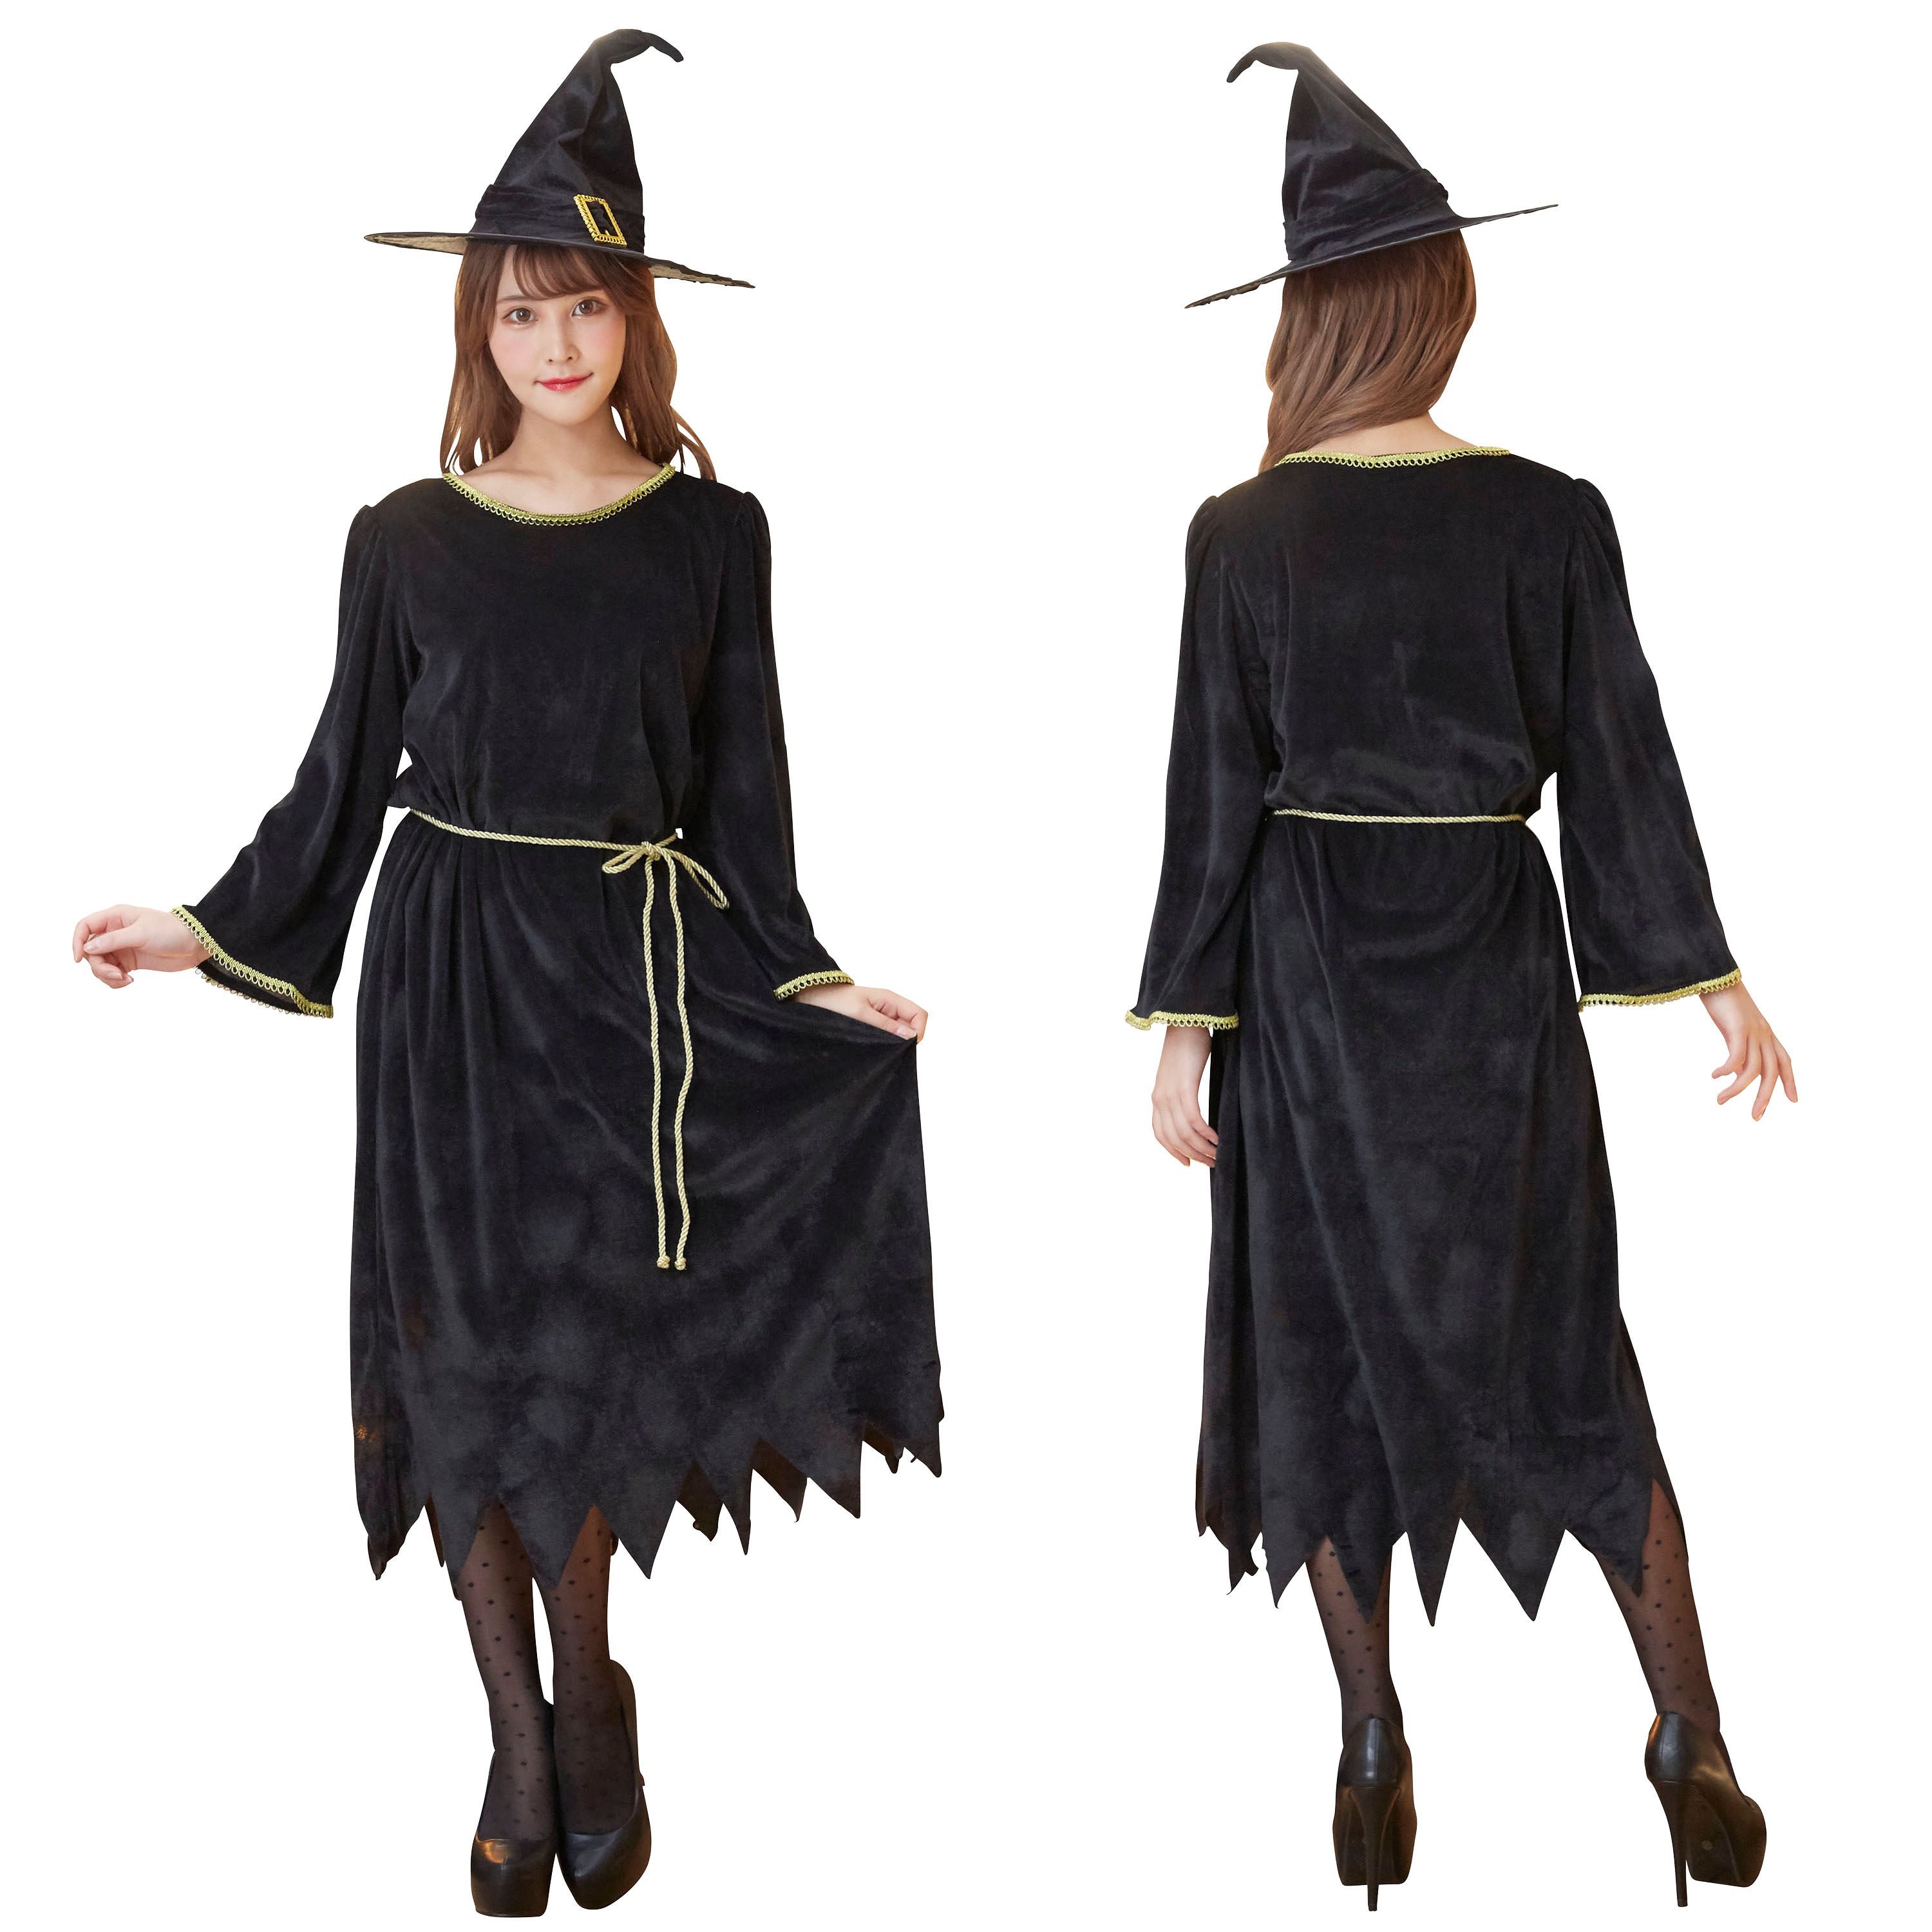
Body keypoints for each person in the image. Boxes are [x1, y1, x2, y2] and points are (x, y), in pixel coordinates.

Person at [72, 31, 942, 1917]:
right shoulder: (402, 537)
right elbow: (337, 777)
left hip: (626, 1000)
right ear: (479, 321)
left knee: (582, 1360)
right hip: (449, 993)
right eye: (524, 308)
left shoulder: (714, 534)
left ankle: (591, 1685)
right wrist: (204, 923)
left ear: (638, 316)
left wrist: (806, 984)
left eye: (590, 305)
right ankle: (521, 1743)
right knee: (460, 1358)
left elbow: (746, 807)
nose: (558, 343)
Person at [1130, 46, 1789, 1911]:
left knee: (1324, 1344)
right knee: (1560, 1341)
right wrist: (1712, 980)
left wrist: (1185, 1033)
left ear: (1307, 318)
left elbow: (1213, 802)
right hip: (1493, 982)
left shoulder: (1244, 530)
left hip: (1311, 994)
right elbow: (1622, 761)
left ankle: (1370, 1743)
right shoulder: (1548, 513)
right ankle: (1690, 1730)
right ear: (1440, 298)